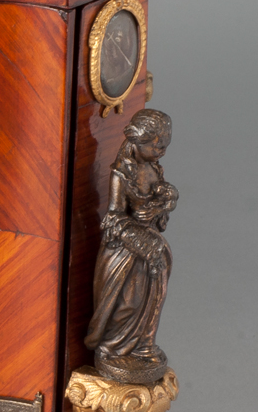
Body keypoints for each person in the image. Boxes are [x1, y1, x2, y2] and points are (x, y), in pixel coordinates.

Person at [85, 109, 178, 379]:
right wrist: (141, 239)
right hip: (126, 250)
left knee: (153, 295)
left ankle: (143, 346)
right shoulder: (121, 173)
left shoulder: (153, 169)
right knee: (129, 301)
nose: (161, 151)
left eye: (165, 146)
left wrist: (164, 204)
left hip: (152, 248)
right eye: (156, 145)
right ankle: (114, 348)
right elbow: (114, 218)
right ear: (138, 141)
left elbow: (157, 214)